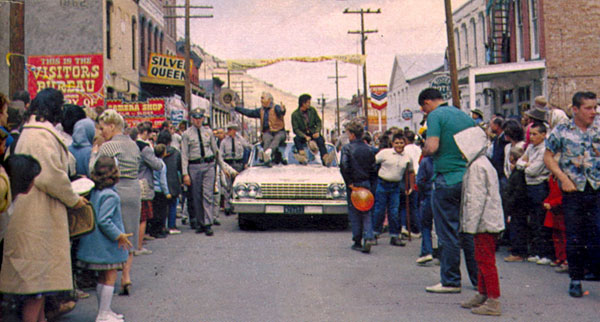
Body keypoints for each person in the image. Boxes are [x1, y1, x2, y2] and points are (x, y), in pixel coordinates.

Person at [0, 88, 88, 322]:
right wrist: (74, 198)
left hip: (30, 213)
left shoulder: (30, 132)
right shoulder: (40, 135)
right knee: (36, 286)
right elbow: (50, 176)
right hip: (38, 217)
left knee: (38, 287)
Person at [419, 88, 477, 293]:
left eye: (423, 109)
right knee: (468, 231)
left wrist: (424, 150)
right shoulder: (463, 114)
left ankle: (451, 280)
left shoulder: (435, 115)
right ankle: (478, 280)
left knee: (447, 231)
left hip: (446, 177)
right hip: (467, 176)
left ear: (427, 103)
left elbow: (432, 146)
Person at [544, 91, 600, 298]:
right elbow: (548, 157)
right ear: (575, 109)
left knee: (598, 231)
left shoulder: (599, 127)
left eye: (595, 107)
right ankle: (575, 279)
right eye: (588, 108)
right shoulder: (562, 130)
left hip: (597, 189)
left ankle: (593, 271)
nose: (593, 112)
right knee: (575, 236)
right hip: (573, 191)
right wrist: (562, 177)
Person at [76, 156, 133, 322]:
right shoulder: (112, 196)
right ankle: (103, 314)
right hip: (106, 245)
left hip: (94, 242)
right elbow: (104, 220)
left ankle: (105, 309)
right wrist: (119, 235)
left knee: (102, 278)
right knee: (110, 277)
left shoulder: (95, 191)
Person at [455, 126, 504, 316]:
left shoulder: (477, 167)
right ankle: (483, 293)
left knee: (485, 261)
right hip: (487, 220)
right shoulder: (482, 163)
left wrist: (469, 226)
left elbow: (475, 199)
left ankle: (493, 300)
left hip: (483, 222)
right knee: (482, 259)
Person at [91, 109, 141, 296]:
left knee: (114, 232)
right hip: (134, 190)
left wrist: (94, 152)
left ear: (112, 126)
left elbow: (94, 168)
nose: (101, 132)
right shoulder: (134, 145)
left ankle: (110, 275)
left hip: (116, 190)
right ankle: (126, 276)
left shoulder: (107, 147)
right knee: (130, 233)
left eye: (103, 128)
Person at [181, 108, 236, 236]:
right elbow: (184, 155)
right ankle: (200, 222)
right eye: (195, 118)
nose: (198, 120)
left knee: (208, 194)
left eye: (200, 118)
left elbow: (216, 151)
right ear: (192, 119)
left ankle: (208, 223)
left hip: (208, 165)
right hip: (194, 166)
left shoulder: (208, 132)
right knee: (197, 196)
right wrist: (185, 174)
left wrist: (223, 167)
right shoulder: (187, 134)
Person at [517, 122, 552, 265]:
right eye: (530, 134)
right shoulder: (531, 147)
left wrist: (525, 165)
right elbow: (520, 162)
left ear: (543, 135)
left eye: (535, 134)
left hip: (540, 186)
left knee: (541, 219)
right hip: (529, 186)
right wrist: (525, 165)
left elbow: (534, 170)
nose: (531, 137)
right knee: (533, 220)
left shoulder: (545, 149)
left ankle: (545, 253)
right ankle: (537, 251)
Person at [340, 121, 377, 253]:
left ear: (352, 135)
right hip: (366, 182)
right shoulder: (369, 149)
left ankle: (357, 240)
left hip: (354, 185)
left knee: (355, 212)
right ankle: (368, 236)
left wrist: (349, 182)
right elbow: (374, 168)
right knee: (367, 211)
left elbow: (344, 166)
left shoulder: (347, 149)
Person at [372, 132, 414, 246]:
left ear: (404, 143)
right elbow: (373, 164)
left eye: (401, 143)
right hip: (382, 183)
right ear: (392, 143)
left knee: (394, 211)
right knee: (379, 210)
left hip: (395, 186)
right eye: (396, 143)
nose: (399, 145)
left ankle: (394, 236)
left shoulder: (407, 157)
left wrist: (411, 186)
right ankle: (374, 234)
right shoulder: (384, 153)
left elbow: (410, 172)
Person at [134, 122, 163, 254]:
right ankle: (138, 246)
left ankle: (137, 241)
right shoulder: (145, 148)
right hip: (144, 183)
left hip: (132, 182)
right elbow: (157, 165)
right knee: (143, 217)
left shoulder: (132, 144)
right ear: (146, 133)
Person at [234, 92, 286, 164]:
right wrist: (236, 108)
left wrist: (283, 110)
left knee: (277, 138)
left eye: (262, 98)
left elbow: (281, 112)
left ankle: (269, 151)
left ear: (269, 100)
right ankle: (266, 158)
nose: (261, 100)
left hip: (279, 131)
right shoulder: (261, 110)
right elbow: (249, 113)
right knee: (266, 139)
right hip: (267, 132)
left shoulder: (276, 107)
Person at [502, 146, 530, 263]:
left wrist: (510, 202)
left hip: (517, 205)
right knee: (516, 226)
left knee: (517, 227)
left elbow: (517, 190)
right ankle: (517, 249)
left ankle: (518, 252)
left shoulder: (518, 172)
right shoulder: (517, 171)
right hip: (517, 203)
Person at [291, 94, 334, 166]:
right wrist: (304, 136)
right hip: (302, 134)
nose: (309, 104)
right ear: (303, 103)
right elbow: (296, 129)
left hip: (313, 133)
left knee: (320, 139)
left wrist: (317, 131)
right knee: (296, 139)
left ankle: (325, 158)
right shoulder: (295, 114)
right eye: (308, 102)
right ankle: (302, 156)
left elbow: (318, 122)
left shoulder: (312, 111)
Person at [220, 122, 252, 216]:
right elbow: (220, 155)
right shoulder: (224, 142)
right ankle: (227, 206)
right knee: (228, 186)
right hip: (229, 164)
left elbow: (249, 147)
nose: (229, 131)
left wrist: (246, 162)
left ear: (234, 130)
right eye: (228, 129)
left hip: (238, 163)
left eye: (231, 129)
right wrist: (224, 168)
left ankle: (236, 206)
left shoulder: (240, 140)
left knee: (237, 185)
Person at [156, 130, 182, 235]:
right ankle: (172, 225)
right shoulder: (175, 153)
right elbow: (179, 167)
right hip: (173, 182)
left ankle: (162, 226)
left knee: (160, 207)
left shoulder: (155, 153)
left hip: (158, 185)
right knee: (173, 204)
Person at [543, 175, 568, 273]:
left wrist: (552, 203)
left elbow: (563, 196)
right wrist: (547, 201)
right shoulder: (552, 178)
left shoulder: (562, 178)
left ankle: (566, 259)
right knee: (556, 235)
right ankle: (559, 257)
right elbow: (551, 193)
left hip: (560, 209)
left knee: (564, 235)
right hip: (552, 210)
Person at [149, 144, 171, 239]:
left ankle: (153, 230)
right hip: (160, 190)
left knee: (154, 211)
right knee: (161, 212)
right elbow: (163, 180)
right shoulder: (162, 165)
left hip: (153, 188)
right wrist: (167, 192)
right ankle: (159, 230)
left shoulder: (153, 163)